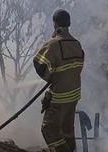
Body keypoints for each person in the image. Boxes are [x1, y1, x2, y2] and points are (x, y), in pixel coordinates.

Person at [33, 9, 84, 152]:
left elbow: (39, 65)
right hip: (74, 95)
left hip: (60, 97)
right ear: (69, 24)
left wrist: (50, 77)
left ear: (54, 24)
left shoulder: (53, 44)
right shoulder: (77, 44)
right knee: (66, 130)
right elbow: (76, 69)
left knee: (48, 129)